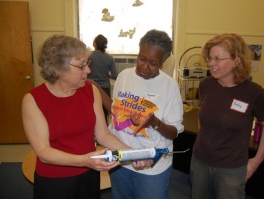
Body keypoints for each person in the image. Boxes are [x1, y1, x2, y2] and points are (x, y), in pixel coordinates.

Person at [21, 34, 150, 199]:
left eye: (87, 63)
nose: (88, 70)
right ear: (57, 69)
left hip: (89, 173)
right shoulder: (33, 100)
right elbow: (43, 152)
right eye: (81, 66)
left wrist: (133, 154)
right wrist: (84, 160)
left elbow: (103, 135)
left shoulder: (90, 91)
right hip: (55, 180)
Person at [190, 33, 264, 199]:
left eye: (218, 59)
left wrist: (256, 161)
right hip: (200, 162)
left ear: (237, 60)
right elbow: (206, 119)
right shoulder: (206, 85)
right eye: (209, 58)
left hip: (231, 169)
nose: (211, 64)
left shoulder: (254, 92)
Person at [108, 29, 184, 199]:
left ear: (163, 62)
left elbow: (173, 133)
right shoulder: (123, 76)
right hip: (121, 159)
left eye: (153, 63)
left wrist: (154, 123)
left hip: (152, 166)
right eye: (142, 58)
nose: (145, 66)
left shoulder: (169, 86)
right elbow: (115, 113)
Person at [88, 34, 118, 121]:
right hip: (105, 91)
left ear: (94, 44)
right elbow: (115, 75)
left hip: (91, 89)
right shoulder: (109, 58)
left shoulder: (89, 57)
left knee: (92, 115)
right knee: (104, 117)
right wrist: (106, 74)